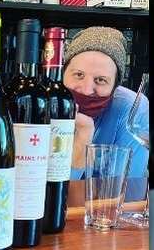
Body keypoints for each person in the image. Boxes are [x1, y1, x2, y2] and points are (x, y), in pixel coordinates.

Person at [63, 26, 149, 202]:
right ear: (62, 74)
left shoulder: (132, 108)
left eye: (101, 80)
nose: (87, 90)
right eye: (78, 75)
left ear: (115, 86)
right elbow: (52, 195)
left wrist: (85, 130)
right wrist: (83, 134)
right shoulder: (39, 104)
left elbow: (123, 195)